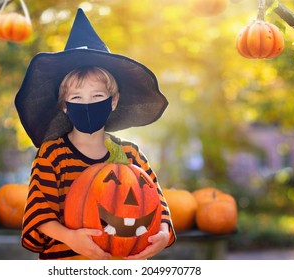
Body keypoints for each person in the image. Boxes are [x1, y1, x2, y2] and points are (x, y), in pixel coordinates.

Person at [15, 8, 176, 260]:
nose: (87, 104)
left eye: (97, 96)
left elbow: (156, 202)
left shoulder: (130, 154)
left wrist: (163, 233)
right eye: (77, 98)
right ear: (65, 106)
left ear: (113, 101)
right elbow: (39, 211)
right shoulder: (53, 154)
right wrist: (71, 238)